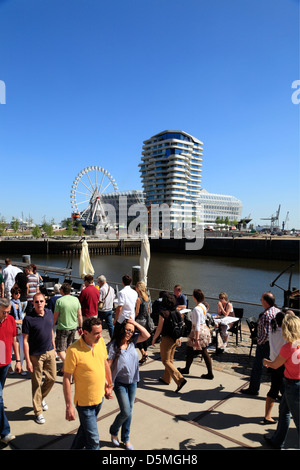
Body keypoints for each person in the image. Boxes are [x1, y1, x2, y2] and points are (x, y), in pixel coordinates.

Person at [63, 317, 113, 450]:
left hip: (99, 398)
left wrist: (109, 385)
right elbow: (67, 378)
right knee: (94, 441)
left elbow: (104, 363)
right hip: (85, 404)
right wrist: (69, 406)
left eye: (100, 332)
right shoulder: (73, 350)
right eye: (96, 333)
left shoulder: (101, 342)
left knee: (85, 431)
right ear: (85, 333)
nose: (100, 336)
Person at [108, 318, 150, 450]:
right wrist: (108, 385)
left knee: (129, 411)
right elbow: (107, 367)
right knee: (126, 411)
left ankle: (125, 438)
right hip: (120, 383)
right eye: (127, 330)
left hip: (133, 382)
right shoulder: (113, 346)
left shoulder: (133, 341)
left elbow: (147, 335)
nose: (129, 333)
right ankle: (114, 430)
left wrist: (135, 323)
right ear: (121, 330)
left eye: (132, 331)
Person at [263, 313, 300, 449]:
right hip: (294, 384)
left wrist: (266, 362)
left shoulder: (287, 348)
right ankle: (277, 441)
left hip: (292, 386)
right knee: (284, 410)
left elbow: (275, 365)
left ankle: (278, 441)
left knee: (296, 418)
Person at [22, 293, 57, 424]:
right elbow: (25, 341)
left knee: (52, 378)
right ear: (33, 303)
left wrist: (53, 347)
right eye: (36, 302)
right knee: (36, 383)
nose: (39, 304)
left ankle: (40, 398)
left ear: (45, 302)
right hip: (35, 355)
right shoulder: (28, 319)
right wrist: (27, 360)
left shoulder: (49, 313)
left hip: (49, 351)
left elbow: (51, 331)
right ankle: (38, 412)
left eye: (41, 301)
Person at [241, 292, 280, 396]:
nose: (260, 301)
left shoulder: (266, 315)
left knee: (257, 367)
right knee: (277, 368)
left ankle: (253, 389)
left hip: (265, 345)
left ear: (266, 302)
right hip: (275, 344)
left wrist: (259, 342)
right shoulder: (277, 311)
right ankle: (283, 393)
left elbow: (267, 334)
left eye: (261, 299)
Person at [151, 292, 187, 393]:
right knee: (170, 360)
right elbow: (180, 324)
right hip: (175, 338)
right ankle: (166, 379)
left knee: (165, 361)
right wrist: (179, 338)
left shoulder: (163, 313)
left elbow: (159, 328)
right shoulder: (177, 311)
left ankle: (180, 379)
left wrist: (154, 338)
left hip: (167, 339)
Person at [178, 289, 214, 380]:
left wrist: (197, 339)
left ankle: (210, 373)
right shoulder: (202, 306)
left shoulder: (196, 309)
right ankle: (187, 369)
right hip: (204, 329)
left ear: (194, 297)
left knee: (203, 351)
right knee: (190, 350)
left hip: (198, 331)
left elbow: (197, 324)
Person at [0, 298, 21, 445]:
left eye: (8, 312)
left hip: (5, 362)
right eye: (3, 312)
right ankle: (5, 432)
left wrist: (18, 361)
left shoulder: (11, 320)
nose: (6, 315)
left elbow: (14, 340)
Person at [53, 283, 82, 376]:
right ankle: (63, 369)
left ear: (61, 290)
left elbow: (55, 316)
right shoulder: (76, 299)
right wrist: (80, 326)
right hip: (73, 327)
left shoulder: (59, 301)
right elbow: (80, 315)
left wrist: (50, 326)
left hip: (62, 327)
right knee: (68, 349)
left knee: (60, 350)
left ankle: (70, 365)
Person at [263, 311, 287, 424]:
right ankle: (286, 412)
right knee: (284, 390)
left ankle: (267, 415)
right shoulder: (285, 334)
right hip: (283, 364)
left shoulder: (272, 331)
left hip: (273, 363)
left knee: (275, 388)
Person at [9, 287, 26, 375]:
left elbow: (21, 315)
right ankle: (9, 366)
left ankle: (20, 366)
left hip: (20, 327)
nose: (18, 295)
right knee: (11, 348)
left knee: (22, 347)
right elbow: (6, 318)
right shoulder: (10, 304)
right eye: (16, 293)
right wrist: (16, 321)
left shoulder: (20, 303)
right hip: (12, 327)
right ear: (12, 294)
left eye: (19, 293)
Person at [135, 281, 151, 364]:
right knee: (144, 337)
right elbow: (149, 310)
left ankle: (143, 353)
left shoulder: (139, 299)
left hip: (140, 320)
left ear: (138, 288)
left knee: (138, 338)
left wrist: (132, 319)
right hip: (146, 320)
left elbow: (137, 312)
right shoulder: (147, 298)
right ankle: (146, 352)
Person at [97, 275, 115, 339]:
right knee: (110, 326)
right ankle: (113, 339)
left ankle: (98, 339)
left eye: (98, 282)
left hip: (102, 310)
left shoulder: (101, 289)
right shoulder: (111, 288)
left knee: (98, 325)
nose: (98, 284)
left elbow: (99, 300)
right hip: (110, 309)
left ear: (101, 282)